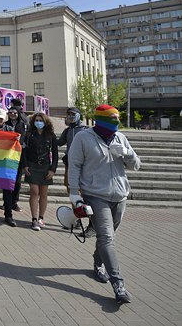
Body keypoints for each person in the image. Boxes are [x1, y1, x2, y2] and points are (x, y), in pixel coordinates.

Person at [68, 104, 140, 304]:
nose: (115, 123)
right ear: (100, 120)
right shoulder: (83, 137)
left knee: (108, 235)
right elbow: (74, 165)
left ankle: (98, 261)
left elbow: (136, 165)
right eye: (111, 119)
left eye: (117, 119)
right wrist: (74, 194)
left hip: (120, 195)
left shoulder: (120, 138)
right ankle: (119, 285)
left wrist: (126, 153)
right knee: (107, 237)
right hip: (95, 195)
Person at [58, 107, 91, 233]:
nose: (70, 116)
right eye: (68, 114)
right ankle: (77, 219)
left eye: (73, 114)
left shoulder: (86, 130)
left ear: (79, 115)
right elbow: (58, 143)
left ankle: (92, 223)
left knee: (86, 193)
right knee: (72, 191)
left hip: (84, 167)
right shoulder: (67, 131)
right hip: (70, 166)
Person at [23, 112, 58, 231]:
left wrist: (53, 169)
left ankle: (41, 218)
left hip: (45, 167)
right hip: (32, 165)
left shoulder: (51, 135)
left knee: (43, 193)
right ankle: (33, 219)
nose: (39, 122)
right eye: (36, 120)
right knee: (34, 191)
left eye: (41, 120)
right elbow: (24, 152)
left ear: (45, 122)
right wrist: (25, 166)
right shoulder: (29, 135)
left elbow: (55, 154)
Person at [5, 106, 28, 213]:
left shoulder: (22, 125)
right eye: (11, 112)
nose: (13, 114)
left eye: (15, 113)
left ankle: (14, 201)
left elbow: (26, 138)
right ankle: (7, 202)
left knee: (17, 180)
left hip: (19, 156)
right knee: (7, 179)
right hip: (8, 156)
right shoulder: (6, 125)